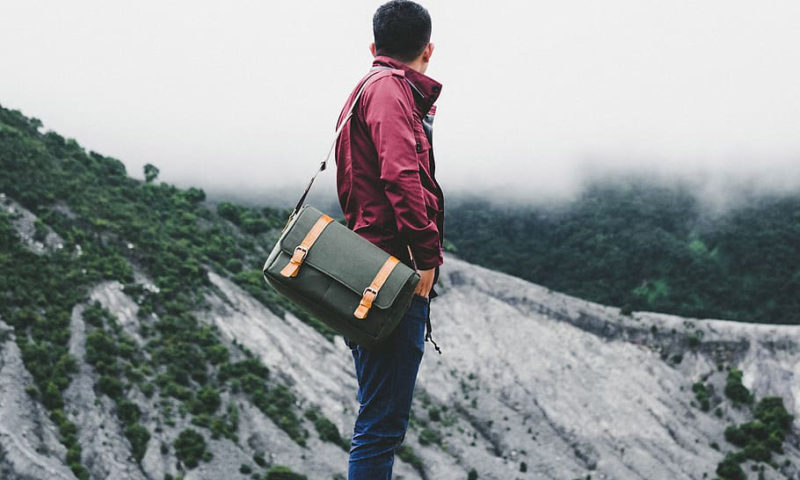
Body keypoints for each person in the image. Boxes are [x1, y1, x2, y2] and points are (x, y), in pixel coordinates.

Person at [333, 1, 444, 478]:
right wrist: (425, 257)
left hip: (370, 268)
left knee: (378, 418)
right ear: (429, 49)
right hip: (390, 274)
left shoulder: (370, 88)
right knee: (381, 426)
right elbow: (400, 176)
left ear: (374, 47)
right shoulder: (389, 92)